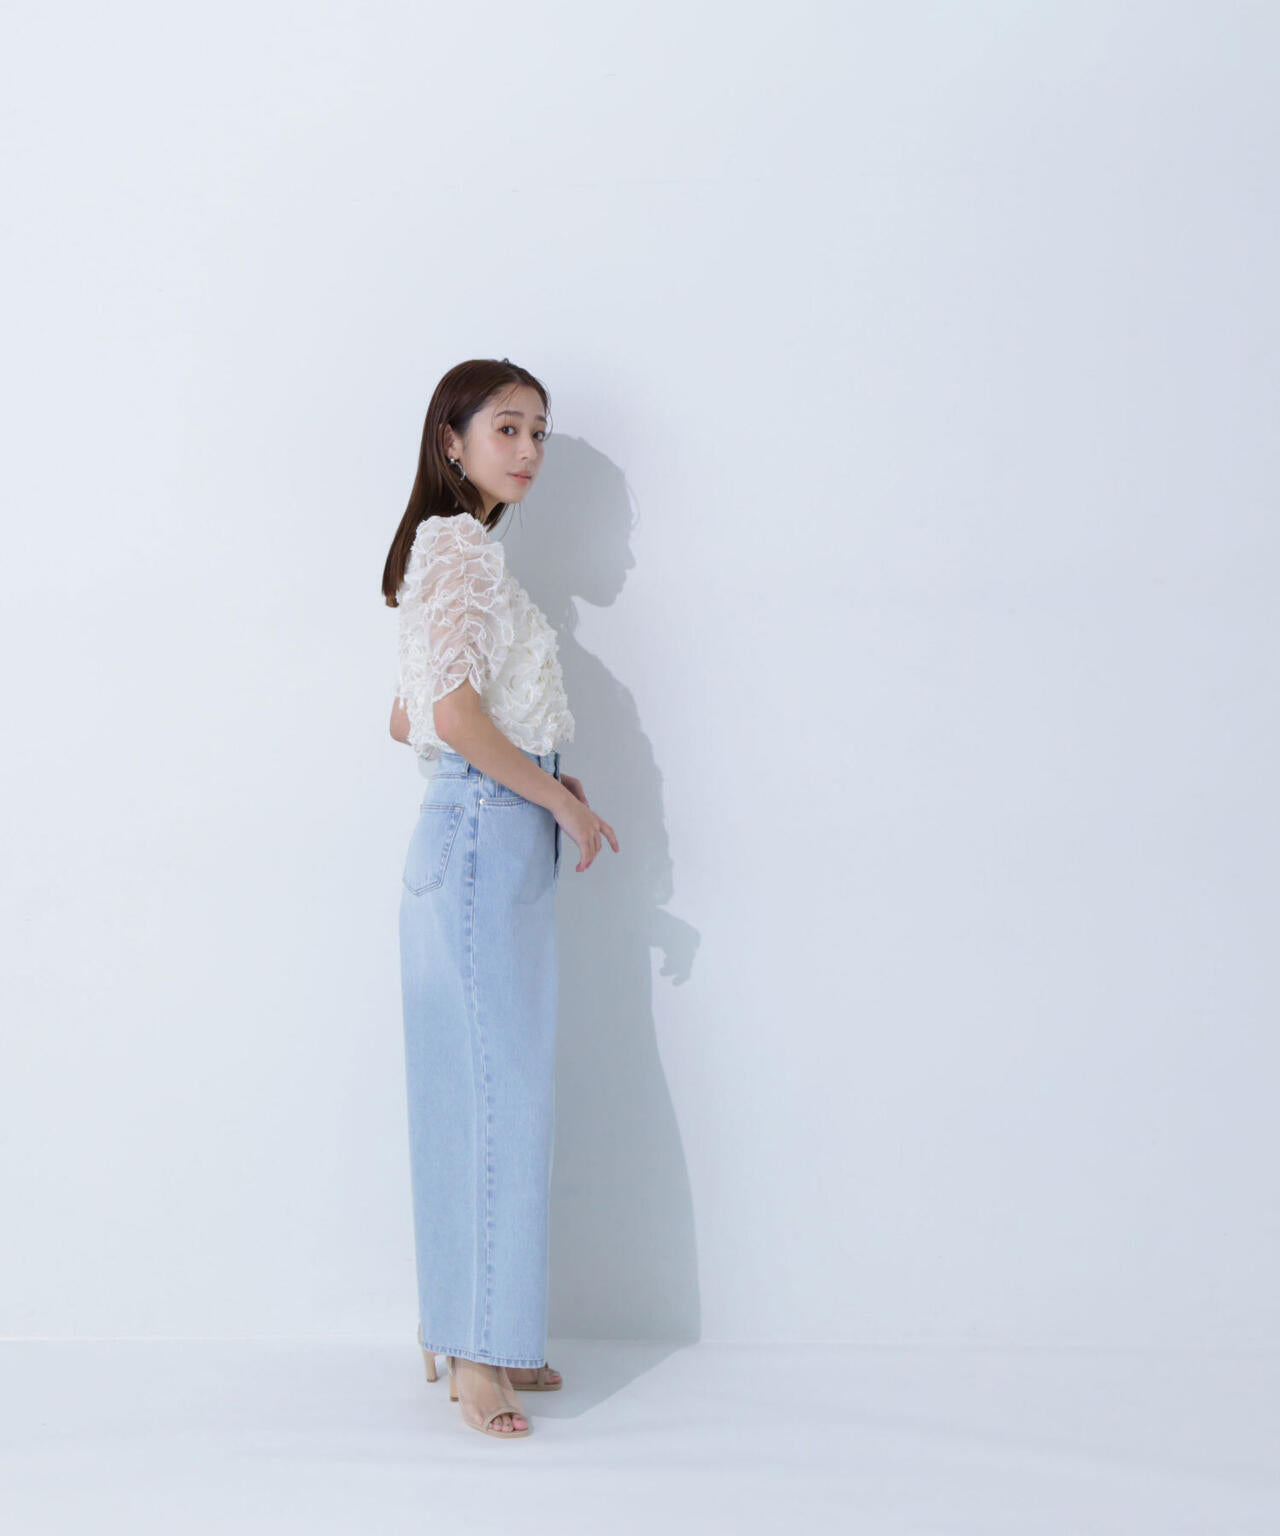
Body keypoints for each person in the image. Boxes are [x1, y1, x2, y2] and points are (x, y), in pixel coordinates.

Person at [380, 359, 619, 1439]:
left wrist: (540, 775)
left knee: (476, 1088)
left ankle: (478, 1329)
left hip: (476, 826)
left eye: (539, 433)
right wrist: (551, 795)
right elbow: (448, 716)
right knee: (495, 1092)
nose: (528, 450)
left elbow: (407, 716)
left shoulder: (448, 554)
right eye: (507, 428)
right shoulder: (459, 549)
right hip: (482, 831)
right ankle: (479, 1352)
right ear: (453, 440)